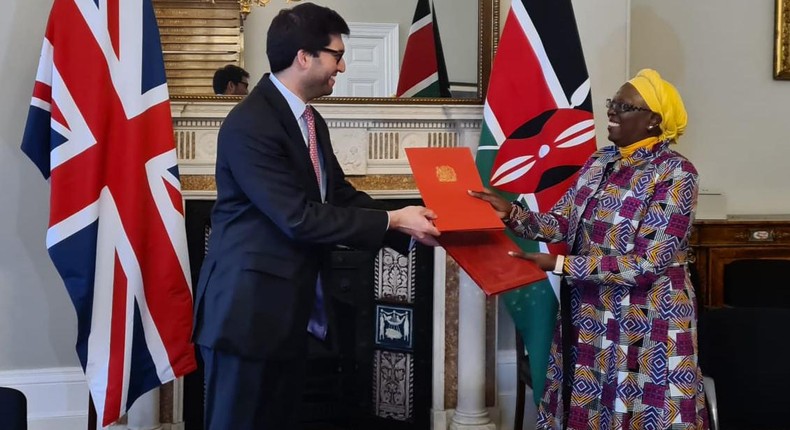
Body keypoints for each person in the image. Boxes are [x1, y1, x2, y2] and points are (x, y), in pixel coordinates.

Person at [192, 3, 440, 429]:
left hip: (290, 313)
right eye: (336, 55)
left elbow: (338, 197)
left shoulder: (310, 120)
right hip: (247, 316)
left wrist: (416, 223)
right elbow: (298, 218)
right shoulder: (250, 123)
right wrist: (395, 221)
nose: (341, 67)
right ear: (304, 56)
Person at [471, 69, 708, 429]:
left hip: (650, 319)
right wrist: (513, 215)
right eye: (612, 103)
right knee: (594, 406)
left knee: (644, 411)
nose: (611, 111)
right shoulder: (600, 161)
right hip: (593, 314)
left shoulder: (676, 173)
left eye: (624, 106)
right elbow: (561, 221)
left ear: (653, 121)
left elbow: (648, 263)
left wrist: (562, 264)